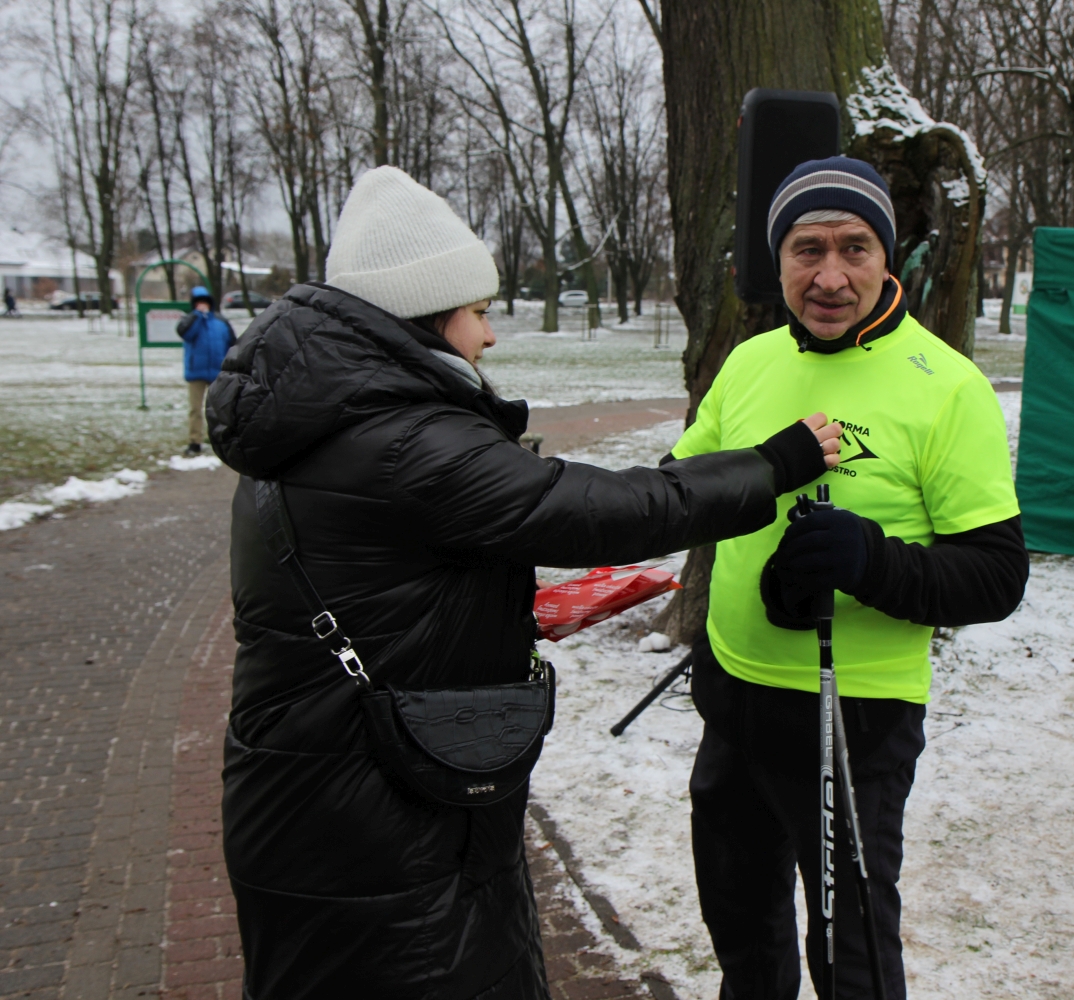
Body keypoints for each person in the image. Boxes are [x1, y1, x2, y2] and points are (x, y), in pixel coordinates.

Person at [205, 166, 843, 1000]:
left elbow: (382, 582)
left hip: (316, 784)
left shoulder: (316, 413)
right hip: (375, 814)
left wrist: (491, 608)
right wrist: (774, 463)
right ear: (424, 315)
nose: (490, 336)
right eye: (478, 312)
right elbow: (595, 512)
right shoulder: (404, 438)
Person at [669, 156, 1030, 999]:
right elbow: (680, 493)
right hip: (733, 700)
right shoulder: (750, 361)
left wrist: (869, 561)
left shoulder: (948, 386)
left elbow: (997, 576)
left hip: (854, 723)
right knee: (743, 941)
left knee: (852, 963)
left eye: (854, 248)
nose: (830, 277)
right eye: (808, 249)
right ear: (778, 260)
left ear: (885, 256)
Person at [176, 285, 235, 456]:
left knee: (220, 409)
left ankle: (221, 439)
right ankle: (195, 441)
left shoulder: (221, 322)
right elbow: (185, 334)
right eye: (198, 302)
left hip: (218, 372)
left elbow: (232, 343)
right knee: (195, 409)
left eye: (205, 302)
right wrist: (197, 316)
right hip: (196, 372)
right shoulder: (190, 321)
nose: (202, 305)